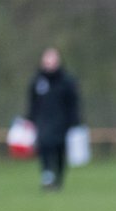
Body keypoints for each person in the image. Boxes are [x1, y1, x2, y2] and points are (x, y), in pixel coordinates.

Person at [26, 47, 81, 191]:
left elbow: (73, 103)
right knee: (44, 147)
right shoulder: (38, 81)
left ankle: (59, 178)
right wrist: (30, 119)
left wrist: (74, 121)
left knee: (59, 151)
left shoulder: (66, 81)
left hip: (61, 122)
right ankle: (47, 175)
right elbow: (32, 102)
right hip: (43, 121)